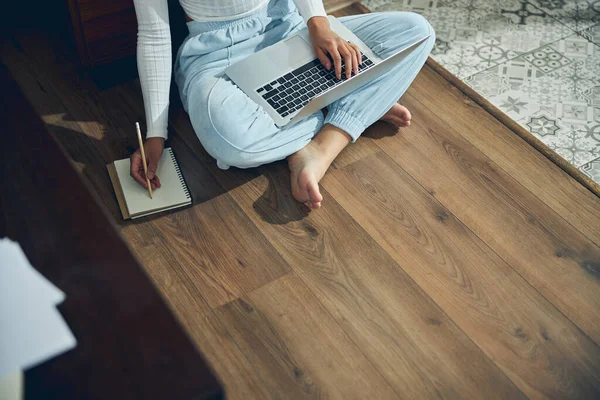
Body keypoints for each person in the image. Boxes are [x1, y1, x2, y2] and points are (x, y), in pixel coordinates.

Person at [130, 0, 435, 209]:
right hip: (215, 57)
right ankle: (351, 103)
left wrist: (318, 23)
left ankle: (323, 144)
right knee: (230, 141)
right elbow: (155, 35)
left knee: (415, 31)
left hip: (289, 30)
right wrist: (155, 136)